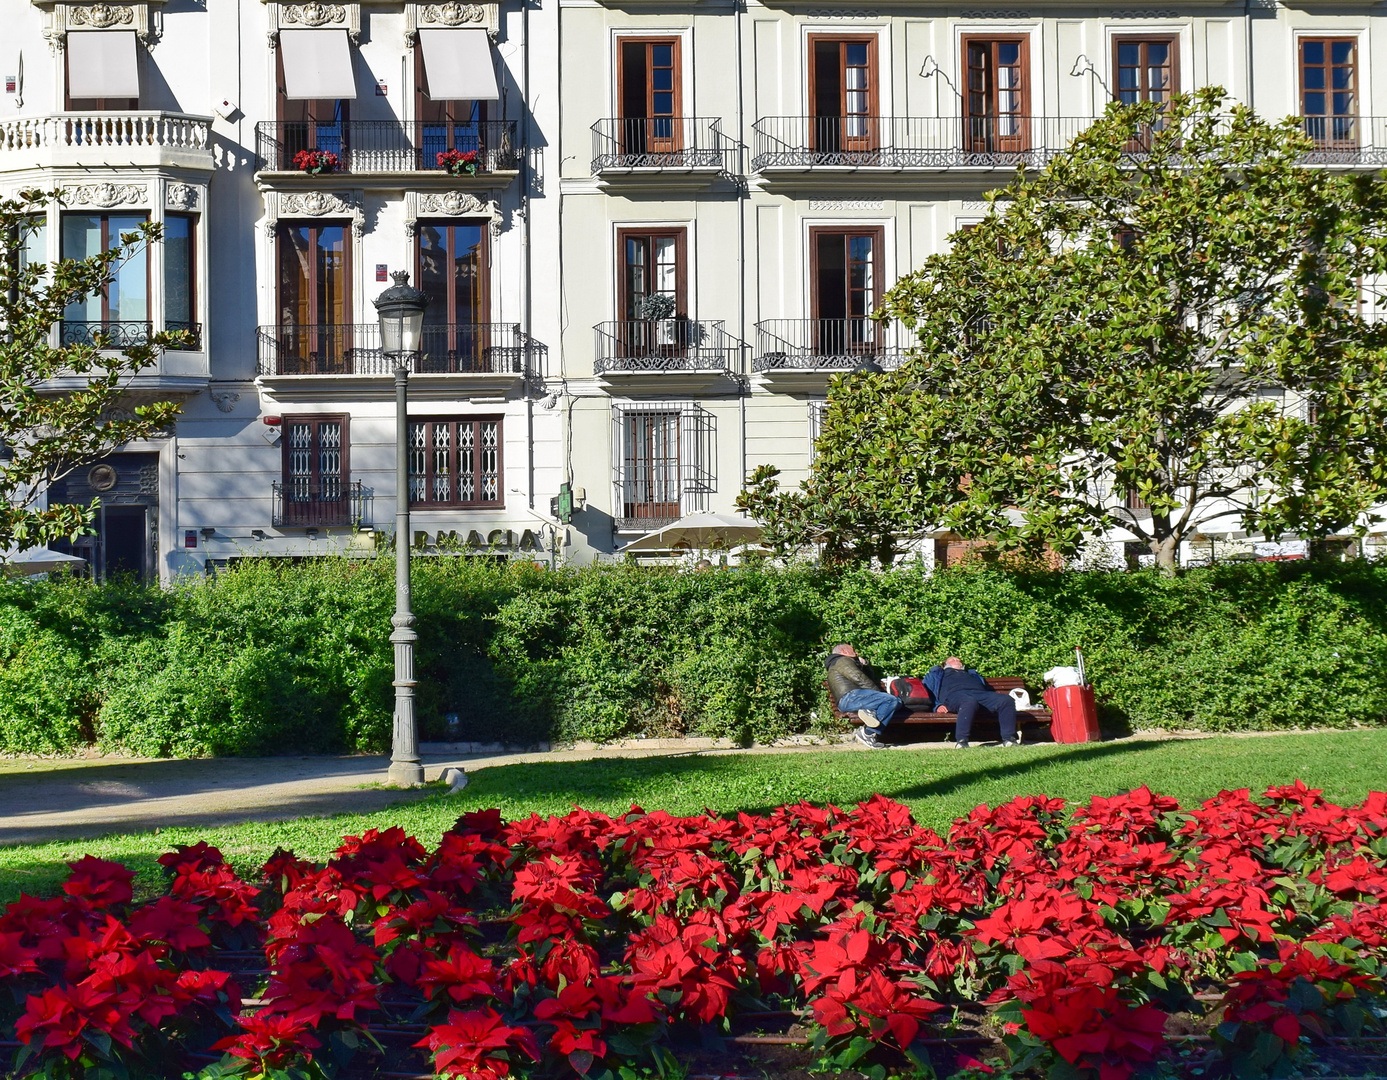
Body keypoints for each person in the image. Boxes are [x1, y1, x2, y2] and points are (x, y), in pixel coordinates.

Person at [924, 656, 1018, 749]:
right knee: (968, 702)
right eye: (953, 660)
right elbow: (927, 691)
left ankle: (1009, 739)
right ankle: (962, 741)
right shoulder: (936, 674)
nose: (957, 660)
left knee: (1006, 700)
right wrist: (937, 706)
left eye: (958, 660)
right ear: (945, 664)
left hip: (980, 694)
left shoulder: (971, 674)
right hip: (955, 695)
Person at [824, 644, 900, 749]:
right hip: (851, 697)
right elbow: (859, 678)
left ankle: (869, 711)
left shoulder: (840, 662)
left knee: (897, 702)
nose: (856, 653)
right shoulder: (842, 660)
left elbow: (868, 678)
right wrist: (879, 694)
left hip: (853, 698)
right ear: (844, 651)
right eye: (853, 650)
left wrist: (864, 666)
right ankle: (868, 733)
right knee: (890, 700)